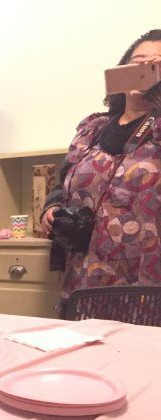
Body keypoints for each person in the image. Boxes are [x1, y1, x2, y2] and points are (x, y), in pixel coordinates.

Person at [41, 29, 161, 301]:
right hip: (87, 273)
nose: (145, 68)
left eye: (156, 65)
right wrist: (52, 207)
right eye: (138, 61)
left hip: (150, 278)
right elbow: (65, 181)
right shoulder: (93, 128)